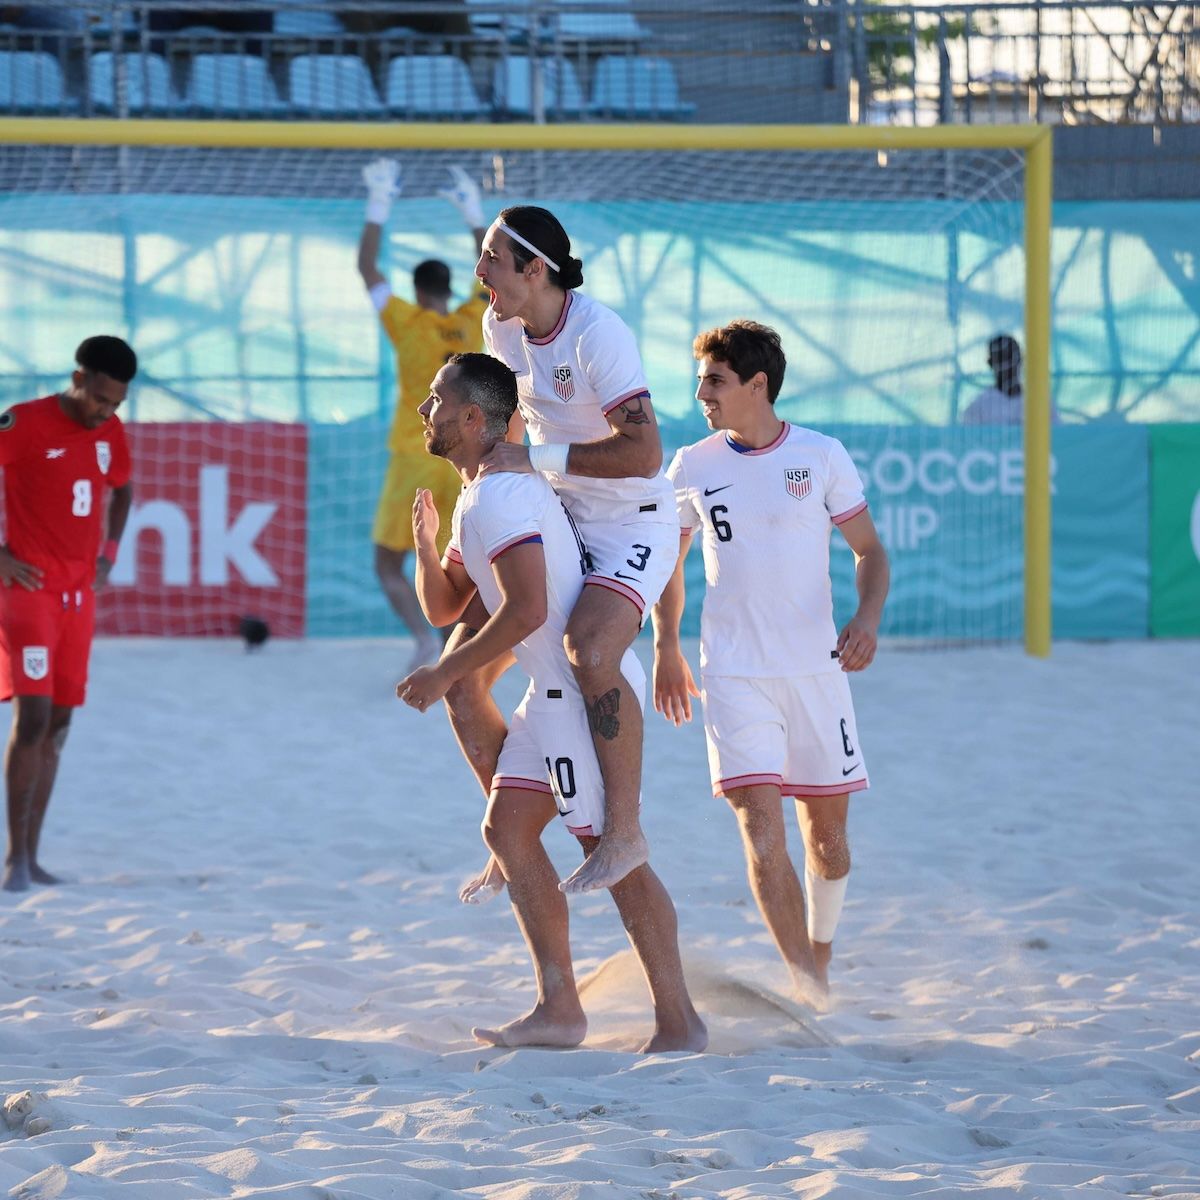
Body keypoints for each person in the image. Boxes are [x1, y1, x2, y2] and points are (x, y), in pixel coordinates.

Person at [396, 353, 706, 1053]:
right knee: (507, 833)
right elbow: (448, 606)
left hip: (574, 699)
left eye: (437, 399)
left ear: (474, 419)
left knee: (612, 856)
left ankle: (680, 1021)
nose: (425, 409)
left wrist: (449, 675)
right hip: (547, 694)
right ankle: (559, 1010)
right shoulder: (481, 491)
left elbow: (529, 611)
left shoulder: (504, 496)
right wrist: (424, 546)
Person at [651, 320, 890, 999]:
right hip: (732, 674)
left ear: (758, 385)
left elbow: (870, 552)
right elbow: (670, 566)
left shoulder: (821, 456)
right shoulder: (692, 466)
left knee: (829, 845)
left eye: (716, 380)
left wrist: (865, 620)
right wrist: (666, 645)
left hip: (818, 673)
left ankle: (819, 954)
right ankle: (806, 984)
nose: (702, 393)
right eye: (701, 380)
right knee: (761, 833)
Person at [447, 206, 679, 896]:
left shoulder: (597, 334)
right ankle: (508, 827)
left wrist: (531, 457)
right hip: (562, 512)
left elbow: (644, 454)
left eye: (491, 258)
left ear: (536, 269)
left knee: (592, 650)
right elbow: (511, 418)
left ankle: (625, 834)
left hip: (632, 521)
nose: (479, 270)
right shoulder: (502, 326)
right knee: (462, 678)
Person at [0, 336, 137, 893]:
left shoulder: (111, 432)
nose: (106, 412)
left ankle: (32, 855)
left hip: (78, 598)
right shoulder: (21, 422)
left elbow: (123, 491)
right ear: (77, 378)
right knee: (32, 719)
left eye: (117, 403)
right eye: (100, 399)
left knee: (59, 723)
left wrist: (107, 555)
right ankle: (14, 858)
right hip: (27, 591)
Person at [357, 157, 490, 671]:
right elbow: (493, 274)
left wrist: (379, 202)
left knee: (388, 564)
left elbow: (368, 270)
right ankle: (471, 644)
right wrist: (474, 213)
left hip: (415, 453)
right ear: (449, 287)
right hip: (464, 459)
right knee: (467, 564)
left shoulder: (406, 324)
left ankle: (423, 637)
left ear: (417, 291)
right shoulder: (471, 319)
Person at [961, 333, 1058, 425]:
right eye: (1001, 359)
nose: (1008, 366)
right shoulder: (978, 407)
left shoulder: (1041, 403)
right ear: (990, 363)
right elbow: (968, 440)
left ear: (1021, 358)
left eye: (1011, 357)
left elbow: (1059, 436)